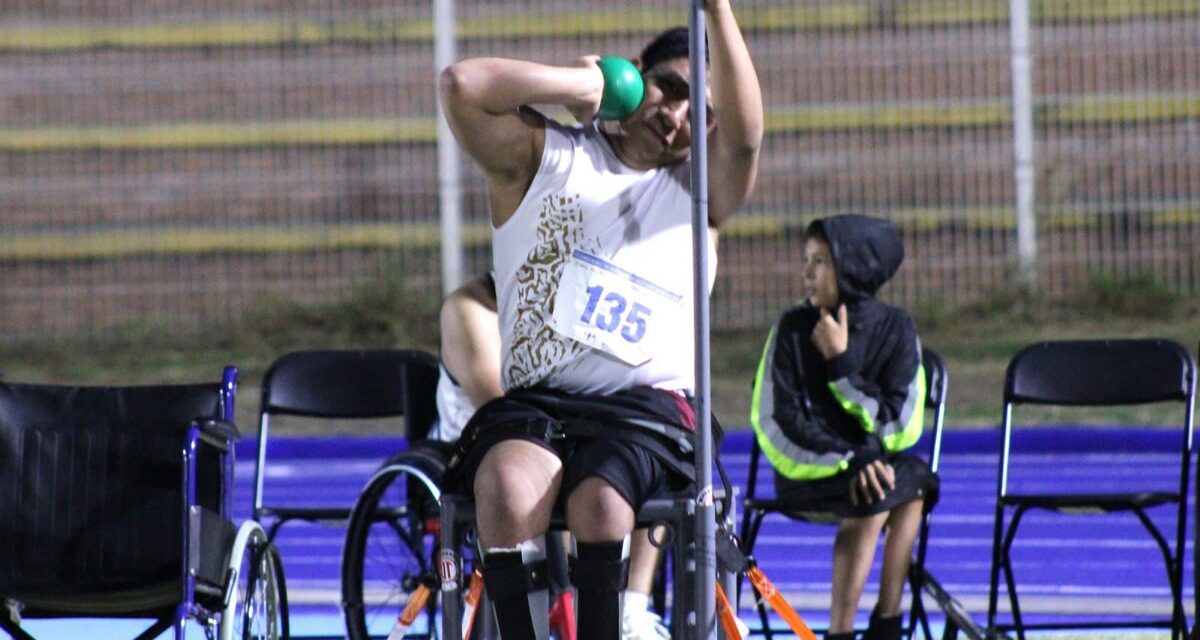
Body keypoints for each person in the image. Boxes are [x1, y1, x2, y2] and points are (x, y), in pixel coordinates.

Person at [439, 2, 763, 639]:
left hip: (647, 413)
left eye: (699, 111)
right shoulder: (546, 156)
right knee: (504, 488)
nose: (676, 116)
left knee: (601, 503)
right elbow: (461, 86)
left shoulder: (699, 193)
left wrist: (718, 8)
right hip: (541, 403)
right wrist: (577, 86)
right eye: (668, 89)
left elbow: (747, 136)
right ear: (635, 79)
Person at [438, 274, 675, 640]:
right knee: (535, 480)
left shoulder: (574, 302)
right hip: (493, 443)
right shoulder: (469, 309)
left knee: (631, 457)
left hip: (564, 440)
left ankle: (631, 607)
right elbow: (504, 408)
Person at [749, 214, 936, 640]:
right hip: (811, 472)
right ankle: (850, 631)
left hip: (878, 472)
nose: (805, 273)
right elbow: (778, 421)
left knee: (909, 479)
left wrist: (843, 368)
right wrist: (850, 459)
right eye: (805, 260)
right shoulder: (792, 330)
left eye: (819, 262)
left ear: (852, 268)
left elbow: (902, 425)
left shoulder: (897, 329)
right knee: (881, 488)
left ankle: (885, 620)